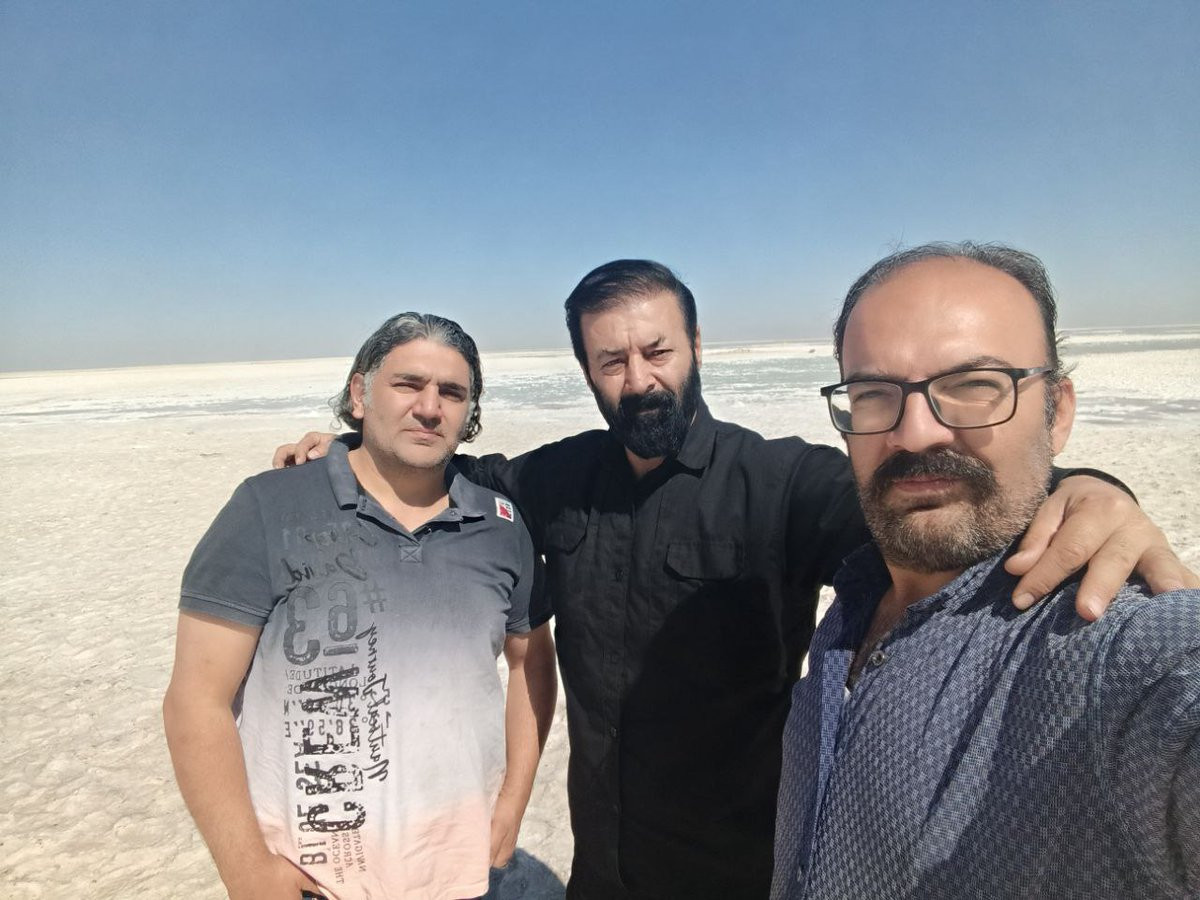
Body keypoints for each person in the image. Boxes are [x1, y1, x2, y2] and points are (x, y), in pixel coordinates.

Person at [275, 261, 1196, 899]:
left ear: (695, 347)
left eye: (658, 351)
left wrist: (1082, 489)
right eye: (612, 361)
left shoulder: (782, 482)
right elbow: (457, 476)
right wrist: (353, 449)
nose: (641, 379)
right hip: (605, 864)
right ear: (588, 372)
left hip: (738, 872)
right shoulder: (560, 478)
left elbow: (927, 500)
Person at [771, 243, 1200, 899]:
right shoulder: (852, 603)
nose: (916, 433)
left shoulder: (1112, 648)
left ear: (1057, 412)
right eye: (874, 393)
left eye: (973, 385)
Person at [164, 313, 557, 900]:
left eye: (452, 392)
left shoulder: (501, 527)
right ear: (359, 393)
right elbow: (196, 699)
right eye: (407, 384)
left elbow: (532, 661)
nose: (430, 407)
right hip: (310, 877)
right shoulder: (269, 508)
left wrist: (513, 801)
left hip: (458, 874)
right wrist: (247, 869)